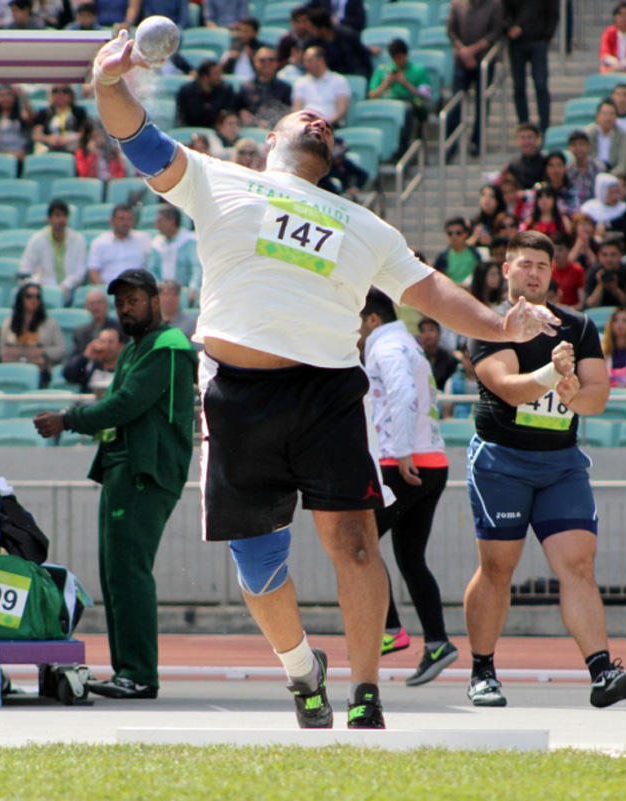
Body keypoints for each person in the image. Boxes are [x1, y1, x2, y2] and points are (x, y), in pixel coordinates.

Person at [87, 30, 559, 729]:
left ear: (329, 158)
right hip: (236, 397)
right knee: (258, 567)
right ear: (272, 138)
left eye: (329, 126)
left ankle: (366, 692)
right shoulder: (221, 179)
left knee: (358, 542)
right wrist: (105, 84)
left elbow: (430, 289)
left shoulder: (364, 225)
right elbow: (142, 139)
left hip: (327, 393)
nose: (319, 121)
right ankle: (303, 670)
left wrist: (501, 326)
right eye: (306, 118)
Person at [463, 229, 626, 708]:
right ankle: (483, 669)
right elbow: (507, 387)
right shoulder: (489, 324)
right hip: (501, 462)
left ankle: (602, 672)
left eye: (542, 266)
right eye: (524, 264)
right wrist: (551, 375)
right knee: (498, 568)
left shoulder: (578, 326)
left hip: (561, 464)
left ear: (553, 273)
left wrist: (572, 395)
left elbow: (598, 395)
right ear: (506, 270)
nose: (533, 274)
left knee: (578, 566)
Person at [34, 269, 196, 699]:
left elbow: (126, 403)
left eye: (134, 300)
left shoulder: (169, 345)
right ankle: (128, 669)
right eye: (120, 301)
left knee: (130, 572)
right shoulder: (133, 349)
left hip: (148, 470)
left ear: (156, 301)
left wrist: (68, 419)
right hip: (123, 467)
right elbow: (117, 405)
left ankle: (140, 673)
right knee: (116, 573)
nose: (126, 308)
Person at [358, 289, 458, 685]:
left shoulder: (387, 344)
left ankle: (391, 630)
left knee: (359, 543)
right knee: (410, 558)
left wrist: (400, 452)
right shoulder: (406, 343)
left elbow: (399, 392)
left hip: (404, 463)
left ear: (372, 319)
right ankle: (437, 642)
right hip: (430, 462)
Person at [447, 0, 504, 158]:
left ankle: (476, 142)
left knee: (482, 102)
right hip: (461, 61)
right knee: (455, 102)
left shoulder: (494, 5)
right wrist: (463, 51)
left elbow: (495, 31)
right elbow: (451, 31)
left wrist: (472, 50)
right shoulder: (457, 4)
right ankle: (451, 143)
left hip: (484, 61)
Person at [19, 200, 88, 303]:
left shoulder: (78, 239)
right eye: (57, 216)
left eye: (64, 216)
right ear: (49, 219)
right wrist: (37, 282)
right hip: (44, 292)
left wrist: (66, 286)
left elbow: (80, 271)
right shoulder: (37, 239)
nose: (61, 220)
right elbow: (26, 269)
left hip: (72, 290)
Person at [0, 282, 66, 383]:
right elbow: (1, 350)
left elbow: (61, 350)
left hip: (40, 370)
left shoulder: (50, 323)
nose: (34, 300)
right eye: (29, 296)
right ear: (21, 298)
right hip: (13, 369)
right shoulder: (9, 323)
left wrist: (42, 351)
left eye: (37, 297)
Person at [505, 0, 555, 129]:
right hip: (516, 43)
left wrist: (546, 37)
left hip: (538, 40)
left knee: (541, 85)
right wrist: (510, 27)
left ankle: (545, 126)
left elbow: (553, 13)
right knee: (519, 87)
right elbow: (504, 12)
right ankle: (524, 125)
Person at [86, 203, 152, 285]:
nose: (125, 223)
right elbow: (93, 271)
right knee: (93, 297)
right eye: (121, 219)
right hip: (108, 290)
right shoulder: (100, 242)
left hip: (137, 290)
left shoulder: (144, 239)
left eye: (129, 219)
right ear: (112, 221)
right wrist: (103, 289)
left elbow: (151, 267)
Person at [291, 46, 352, 129]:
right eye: (304, 61)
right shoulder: (300, 83)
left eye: (309, 61)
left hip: (331, 127)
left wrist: (324, 123)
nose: (305, 64)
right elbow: (296, 110)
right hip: (307, 128)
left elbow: (341, 111)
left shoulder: (339, 81)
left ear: (321, 61)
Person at [235, 46, 293, 130]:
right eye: (262, 60)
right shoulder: (245, 87)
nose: (267, 63)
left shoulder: (285, 89)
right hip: (251, 131)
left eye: (271, 60)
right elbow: (237, 111)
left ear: (277, 63)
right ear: (255, 63)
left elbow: (287, 115)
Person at [146, 205, 200, 293]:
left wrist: (193, 289)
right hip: (163, 291)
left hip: (184, 291)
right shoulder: (156, 243)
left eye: (160, 221)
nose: (156, 225)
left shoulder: (190, 241)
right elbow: (151, 270)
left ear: (171, 221)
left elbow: (196, 267)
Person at [63, 323, 124, 393]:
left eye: (110, 342)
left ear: (121, 346)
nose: (106, 345)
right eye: (102, 341)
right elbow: (68, 376)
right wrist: (85, 357)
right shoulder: (90, 366)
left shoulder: (124, 368)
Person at [176, 60, 236, 128]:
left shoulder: (226, 90)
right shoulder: (186, 91)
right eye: (216, 74)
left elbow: (228, 114)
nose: (219, 77)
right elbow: (181, 117)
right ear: (204, 77)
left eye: (220, 73)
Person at [579, 174, 626, 245]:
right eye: (611, 192)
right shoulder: (588, 209)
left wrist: (607, 233)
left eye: (617, 192)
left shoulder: (624, 209)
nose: (615, 196)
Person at [31, 84, 87, 154]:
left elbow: (84, 132)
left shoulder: (78, 112)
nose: (60, 94)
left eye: (65, 91)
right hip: (49, 145)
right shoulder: (44, 113)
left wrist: (66, 139)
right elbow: (36, 135)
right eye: (55, 91)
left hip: (72, 144)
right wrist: (48, 139)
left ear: (71, 94)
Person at [584, 101, 626, 178]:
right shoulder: (588, 133)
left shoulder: (621, 135)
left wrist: (611, 175)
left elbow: (624, 162)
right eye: (605, 114)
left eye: (612, 114)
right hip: (592, 172)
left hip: (614, 173)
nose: (608, 117)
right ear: (597, 117)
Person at [583, 235, 626, 311]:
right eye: (604, 255)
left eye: (613, 255)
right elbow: (590, 305)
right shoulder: (593, 272)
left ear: (620, 255)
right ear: (599, 256)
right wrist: (600, 285)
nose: (609, 259)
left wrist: (615, 289)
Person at [433, 218, 481, 284]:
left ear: (465, 234)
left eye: (458, 233)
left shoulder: (475, 253)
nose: (454, 236)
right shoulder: (442, 258)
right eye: (450, 233)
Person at [417, 317, 458, 391]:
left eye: (431, 330)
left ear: (439, 333)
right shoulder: (417, 357)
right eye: (423, 331)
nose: (427, 334)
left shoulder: (449, 358)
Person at [505, 124, 546, 192]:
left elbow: (546, 183)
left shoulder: (545, 162)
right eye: (522, 138)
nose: (526, 142)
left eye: (529, 137)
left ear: (538, 139)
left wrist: (533, 190)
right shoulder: (513, 164)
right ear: (517, 141)